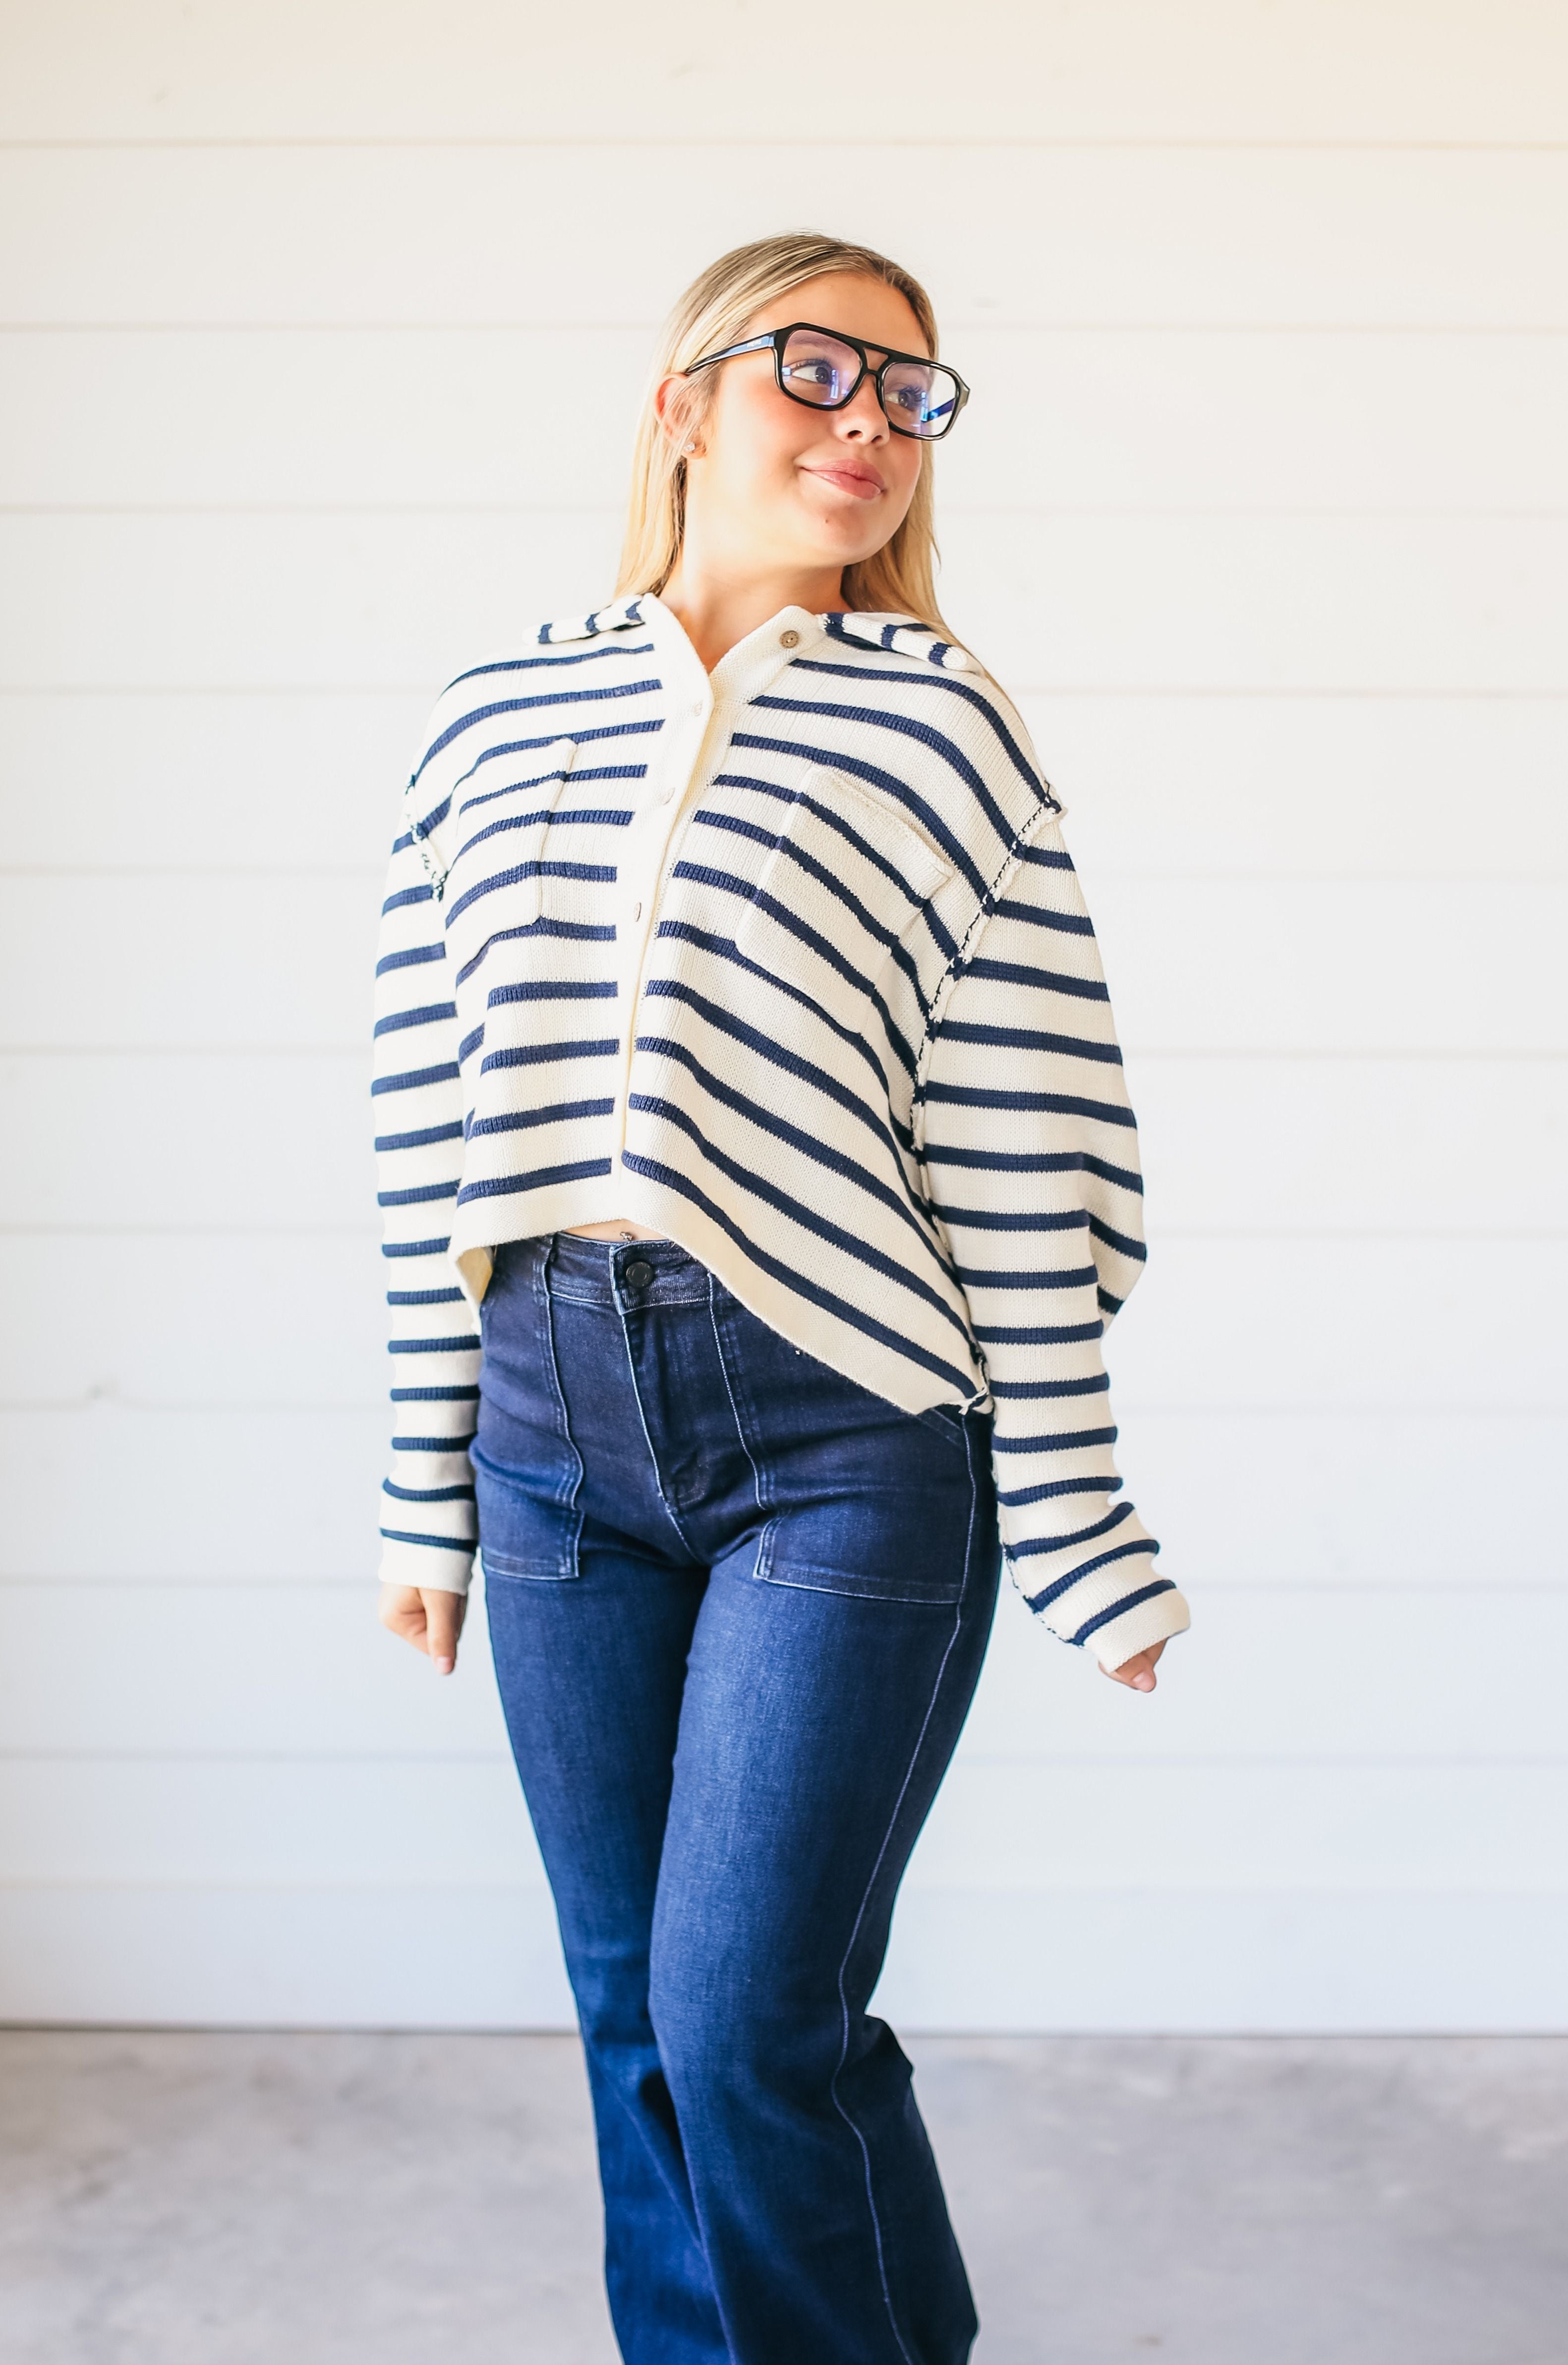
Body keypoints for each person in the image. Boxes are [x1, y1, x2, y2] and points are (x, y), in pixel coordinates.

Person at [372, 230, 1191, 2365]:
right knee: (635, 2008)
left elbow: (1026, 1139)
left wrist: (1085, 1513)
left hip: (843, 1437)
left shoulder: (944, 733)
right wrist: (414, 1487)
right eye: (814, 370)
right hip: (548, 1435)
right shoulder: (492, 711)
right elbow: (420, 1117)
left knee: (750, 2024)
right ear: (678, 404)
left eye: (910, 395)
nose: (866, 423)